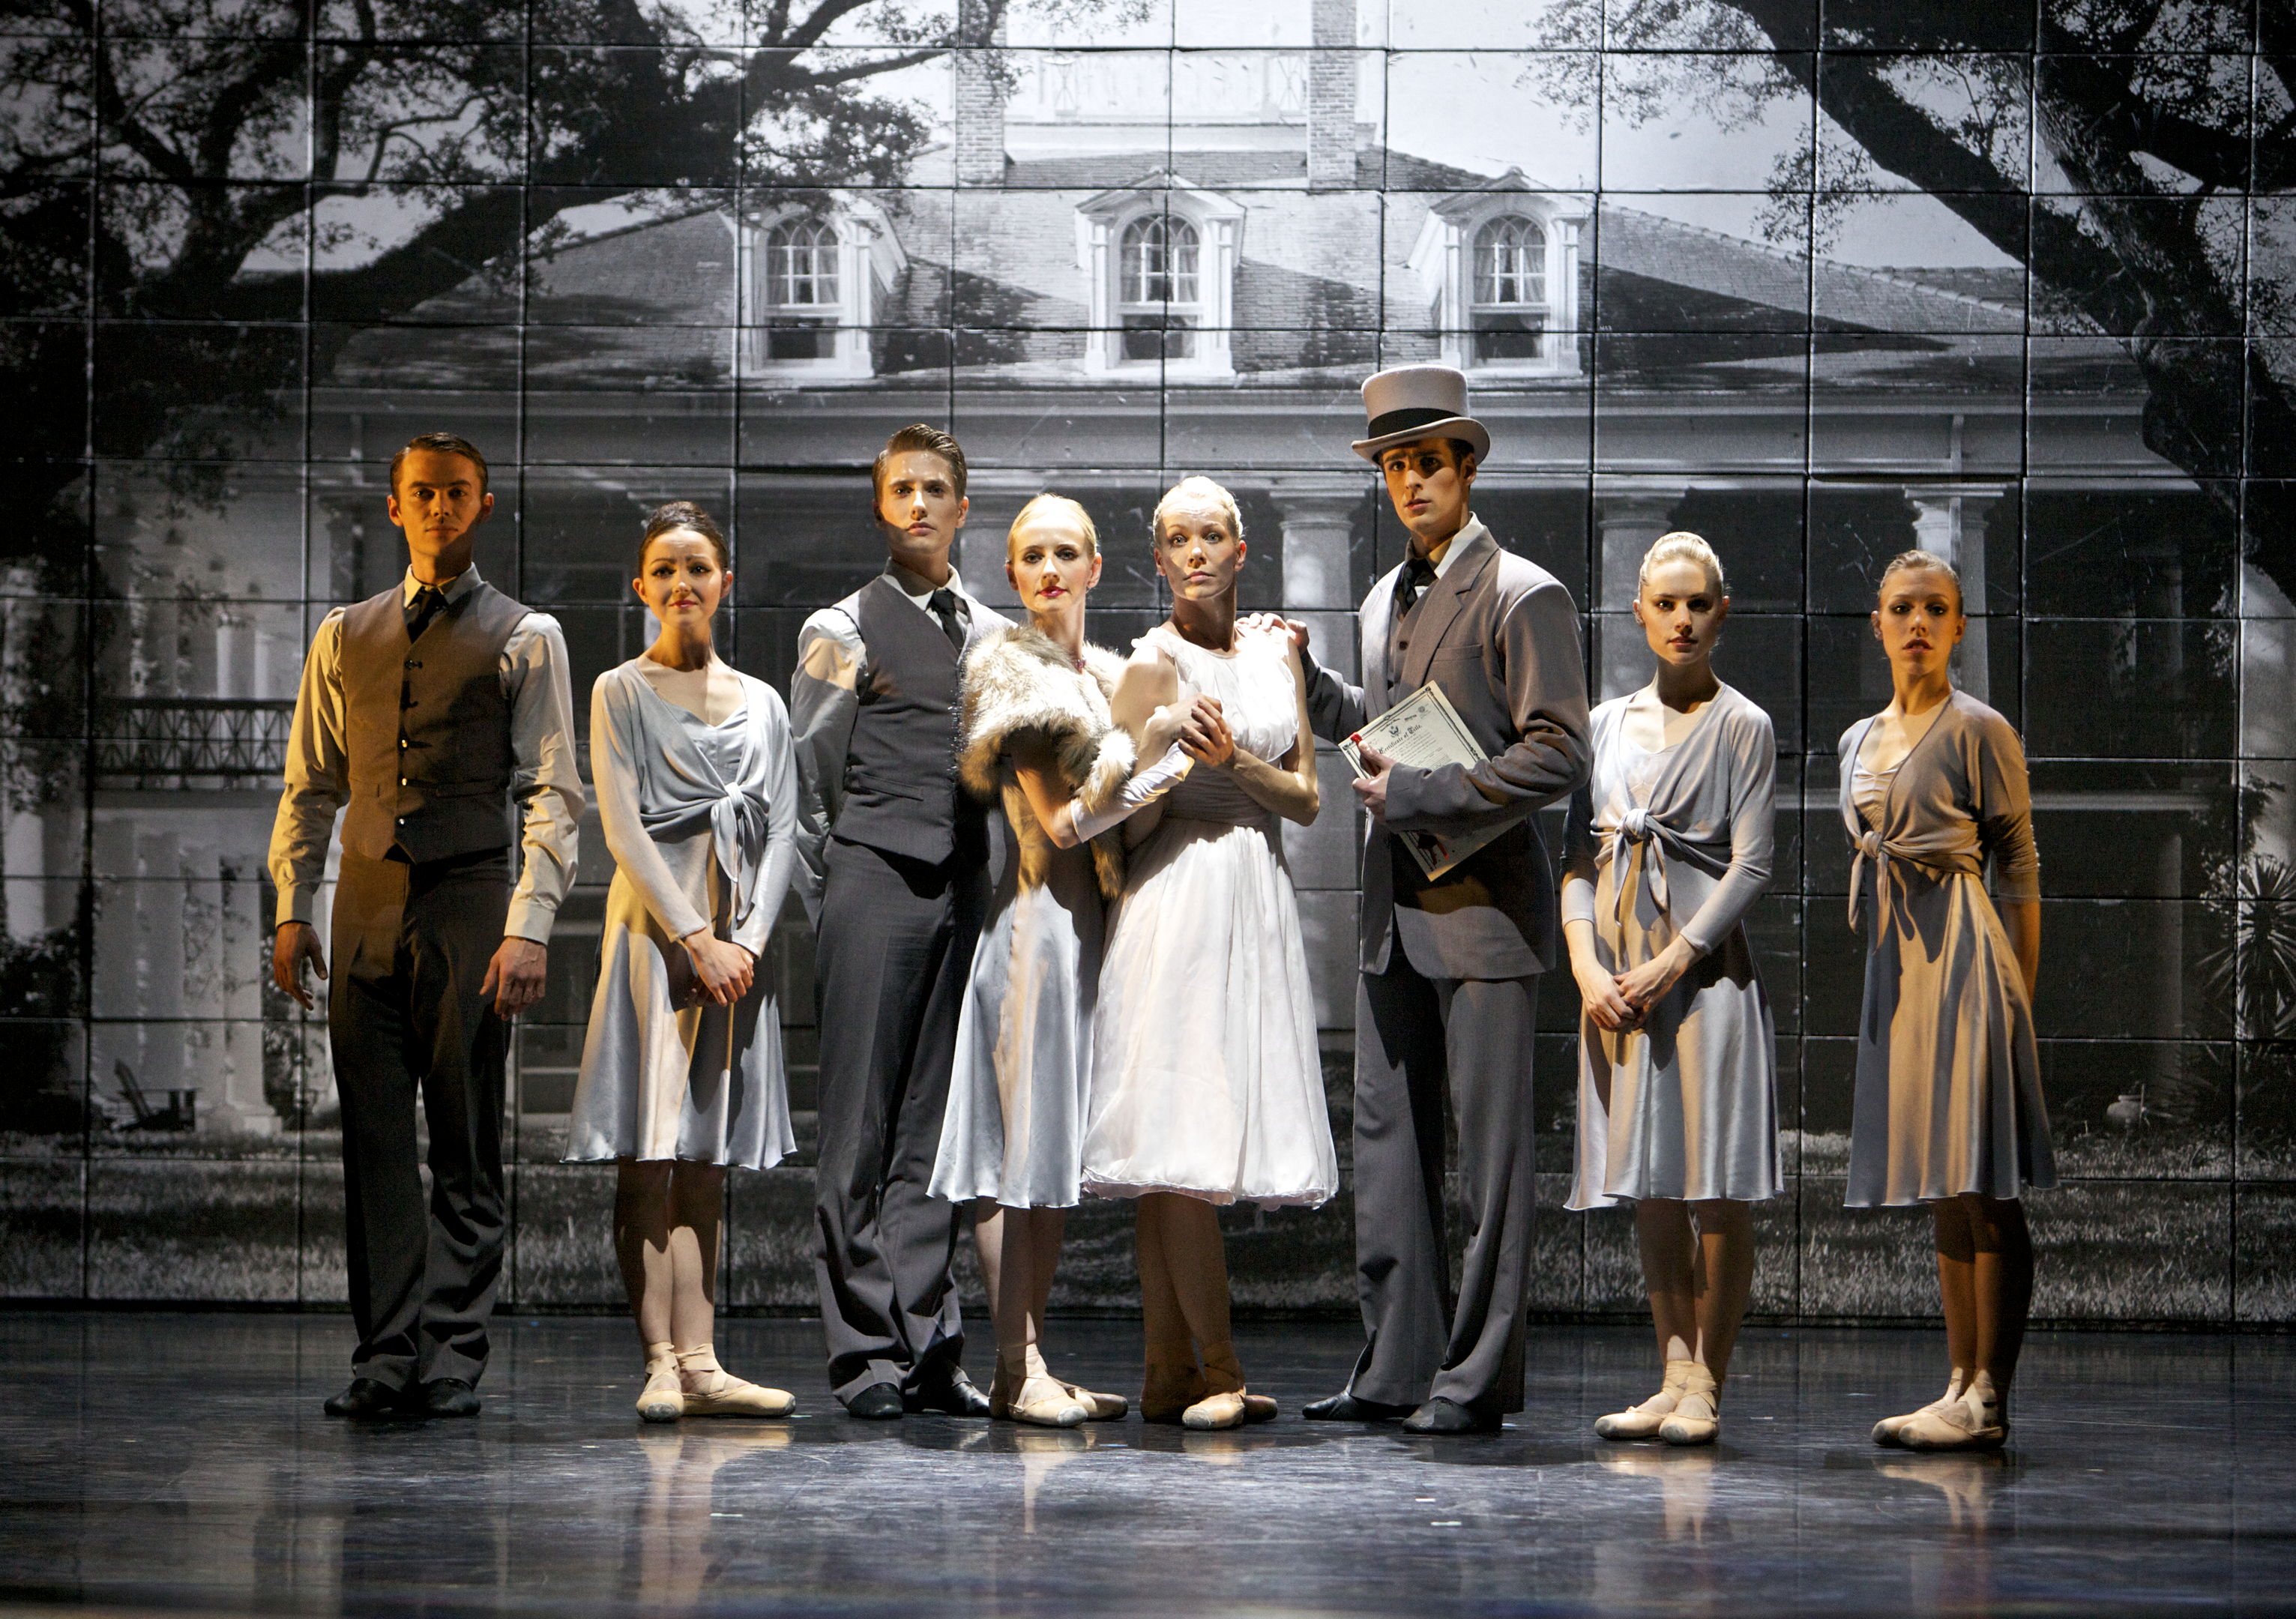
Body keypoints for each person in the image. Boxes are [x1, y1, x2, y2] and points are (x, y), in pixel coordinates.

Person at [1281, 365, 1592, 1435]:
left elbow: (1557, 750)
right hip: (1388, 918)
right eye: (1392, 466)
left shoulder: (1522, 590)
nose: (1408, 481)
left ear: (1467, 466)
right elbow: (1385, 721)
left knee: (1492, 1172)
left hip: (1484, 916)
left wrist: (1423, 793)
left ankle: (1473, 1384)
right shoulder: (1380, 597)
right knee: (1388, 1154)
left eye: (1427, 461)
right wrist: (1309, 687)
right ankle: (1393, 1372)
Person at [270, 431, 583, 1419]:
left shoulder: (526, 635)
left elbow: (550, 793)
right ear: (395, 505)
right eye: (421, 494)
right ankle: (383, 1358)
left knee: (464, 1141)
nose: (438, 509)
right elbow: (309, 784)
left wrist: (527, 927)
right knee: (371, 1146)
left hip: (466, 902)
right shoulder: (342, 633)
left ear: (483, 506)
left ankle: (449, 1358)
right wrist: (292, 906)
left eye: (456, 494)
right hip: (361, 903)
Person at [930, 493, 1202, 1427]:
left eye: (1066, 554)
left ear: (1094, 567)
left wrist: (1163, 759)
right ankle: (1019, 1360)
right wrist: (1149, 762)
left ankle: (1023, 1369)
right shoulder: (1015, 671)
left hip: (1093, 933)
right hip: (1037, 931)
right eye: (1031, 555)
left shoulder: (1108, 676)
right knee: (1022, 1159)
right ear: (1012, 574)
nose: (1049, 569)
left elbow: (1130, 822)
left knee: (1051, 1161)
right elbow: (1061, 821)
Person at [1081, 474, 1336, 1431]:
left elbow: (1309, 797)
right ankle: (1216, 1364)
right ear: (1158, 561)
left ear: (1241, 551)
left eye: (1213, 536)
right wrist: (1167, 756)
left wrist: (1237, 764)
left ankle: (1163, 1371)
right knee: (1177, 1145)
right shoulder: (1148, 665)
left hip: (1257, 891)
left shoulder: (1277, 649)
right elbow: (1114, 822)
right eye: (1178, 539)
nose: (1196, 553)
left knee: (1183, 1149)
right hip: (1176, 899)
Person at [790, 424, 1010, 1419]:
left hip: (965, 893)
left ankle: (930, 1352)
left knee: (934, 1137)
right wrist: (832, 895)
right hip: (874, 883)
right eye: (899, 491)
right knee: (857, 1136)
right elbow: (805, 783)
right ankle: (864, 1357)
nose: (917, 505)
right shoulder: (841, 628)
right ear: (879, 508)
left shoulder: (995, 635)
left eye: (934, 491)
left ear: (962, 509)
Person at [566, 501, 800, 1423]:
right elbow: (620, 825)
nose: (682, 584)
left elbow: (783, 829)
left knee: (707, 1149)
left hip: (736, 946)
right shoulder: (619, 691)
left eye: (697, 568)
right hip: (657, 939)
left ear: (724, 584)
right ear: (642, 588)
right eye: (664, 570)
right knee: (649, 1152)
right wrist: (692, 937)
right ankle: (659, 1358)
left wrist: (744, 940)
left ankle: (703, 1359)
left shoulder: (765, 703)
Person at [1561, 531, 1779, 1449]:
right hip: (1615, 982)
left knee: (1714, 1182)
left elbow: (1753, 864)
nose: (1682, 620)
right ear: (1640, 613)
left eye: (1698, 604)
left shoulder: (1743, 725)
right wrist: (1585, 968)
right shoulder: (1605, 724)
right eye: (1666, 605)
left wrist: (1674, 958)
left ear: (1721, 611)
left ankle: (1708, 1383)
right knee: (1650, 1184)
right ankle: (1672, 1369)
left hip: (1703, 977)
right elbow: (1577, 857)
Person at [1842, 549, 2051, 1452]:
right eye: (1901, 608)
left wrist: (2018, 1000)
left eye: (1935, 608)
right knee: (1940, 1184)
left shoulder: (1979, 729)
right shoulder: (1857, 739)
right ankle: (1958, 1382)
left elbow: (2022, 867)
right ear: (1879, 623)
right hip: (1900, 968)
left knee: (1984, 1181)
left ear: (1960, 625)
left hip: (1969, 960)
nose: (1917, 622)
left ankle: (1991, 1394)